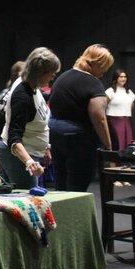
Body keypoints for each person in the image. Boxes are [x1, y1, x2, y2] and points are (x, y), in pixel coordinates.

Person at [48, 44, 114, 192]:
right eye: (104, 67)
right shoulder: (92, 83)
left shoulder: (63, 77)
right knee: (77, 187)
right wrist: (108, 145)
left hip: (56, 135)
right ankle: (75, 215)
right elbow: (99, 117)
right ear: (97, 63)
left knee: (61, 185)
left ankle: (60, 215)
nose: (104, 72)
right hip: (78, 139)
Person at [0, 47, 60, 189]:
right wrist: (29, 163)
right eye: (52, 73)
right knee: (28, 203)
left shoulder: (32, 85)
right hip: (18, 157)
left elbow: (39, 122)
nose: (53, 77)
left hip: (28, 152)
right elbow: (14, 138)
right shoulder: (22, 97)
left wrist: (46, 147)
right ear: (40, 73)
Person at [105, 69, 135, 152]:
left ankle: (126, 163)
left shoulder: (129, 92)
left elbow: (131, 107)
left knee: (128, 144)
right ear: (116, 78)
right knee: (117, 144)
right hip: (114, 121)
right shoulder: (110, 91)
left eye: (125, 77)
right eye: (121, 77)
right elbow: (103, 106)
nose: (123, 79)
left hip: (126, 121)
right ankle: (114, 164)